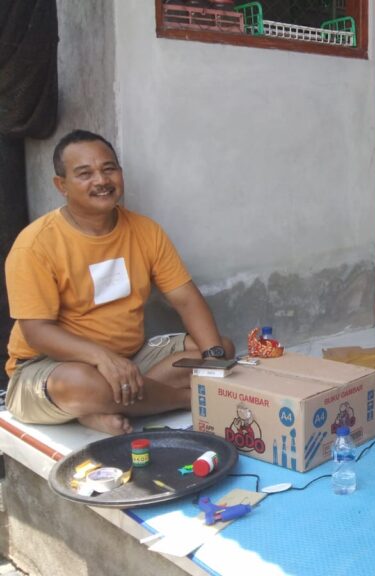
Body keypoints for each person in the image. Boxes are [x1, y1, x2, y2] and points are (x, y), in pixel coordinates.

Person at [4, 130, 234, 435]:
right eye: (85, 174)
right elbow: (37, 332)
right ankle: (180, 399)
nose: (101, 180)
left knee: (218, 346)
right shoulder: (35, 245)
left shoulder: (145, 231)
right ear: (62, 185)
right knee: (81, 384)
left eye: (108, 169)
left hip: (131, 358)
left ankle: (106, 403)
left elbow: (186, 300)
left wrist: (214, 361)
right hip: (49, 366)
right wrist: (101, 358)